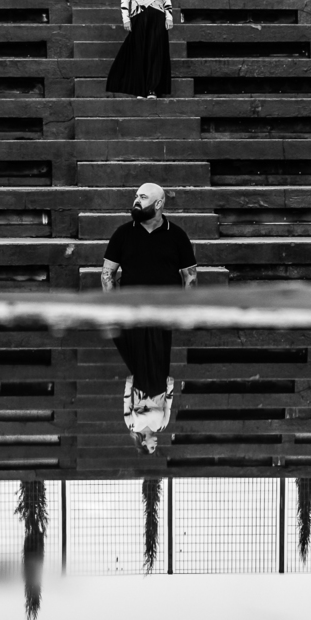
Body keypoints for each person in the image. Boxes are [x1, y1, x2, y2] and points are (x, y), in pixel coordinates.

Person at [102, 183, 197, 452]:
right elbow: (107, 274)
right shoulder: (122, 234)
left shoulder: (176, 235)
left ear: (158, 204)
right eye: (135, 196)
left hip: (163, 312)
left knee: (154, 358)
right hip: (131, 312)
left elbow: (189, 276)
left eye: (142, 197)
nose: (136, 200)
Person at [105, 0, 173, 99]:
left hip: (157, 16)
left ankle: (152, 89)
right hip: (138, 17)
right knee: (139, 51)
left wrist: (169, 16)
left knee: (155, 52)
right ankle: (140, 89)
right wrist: (126, 18)